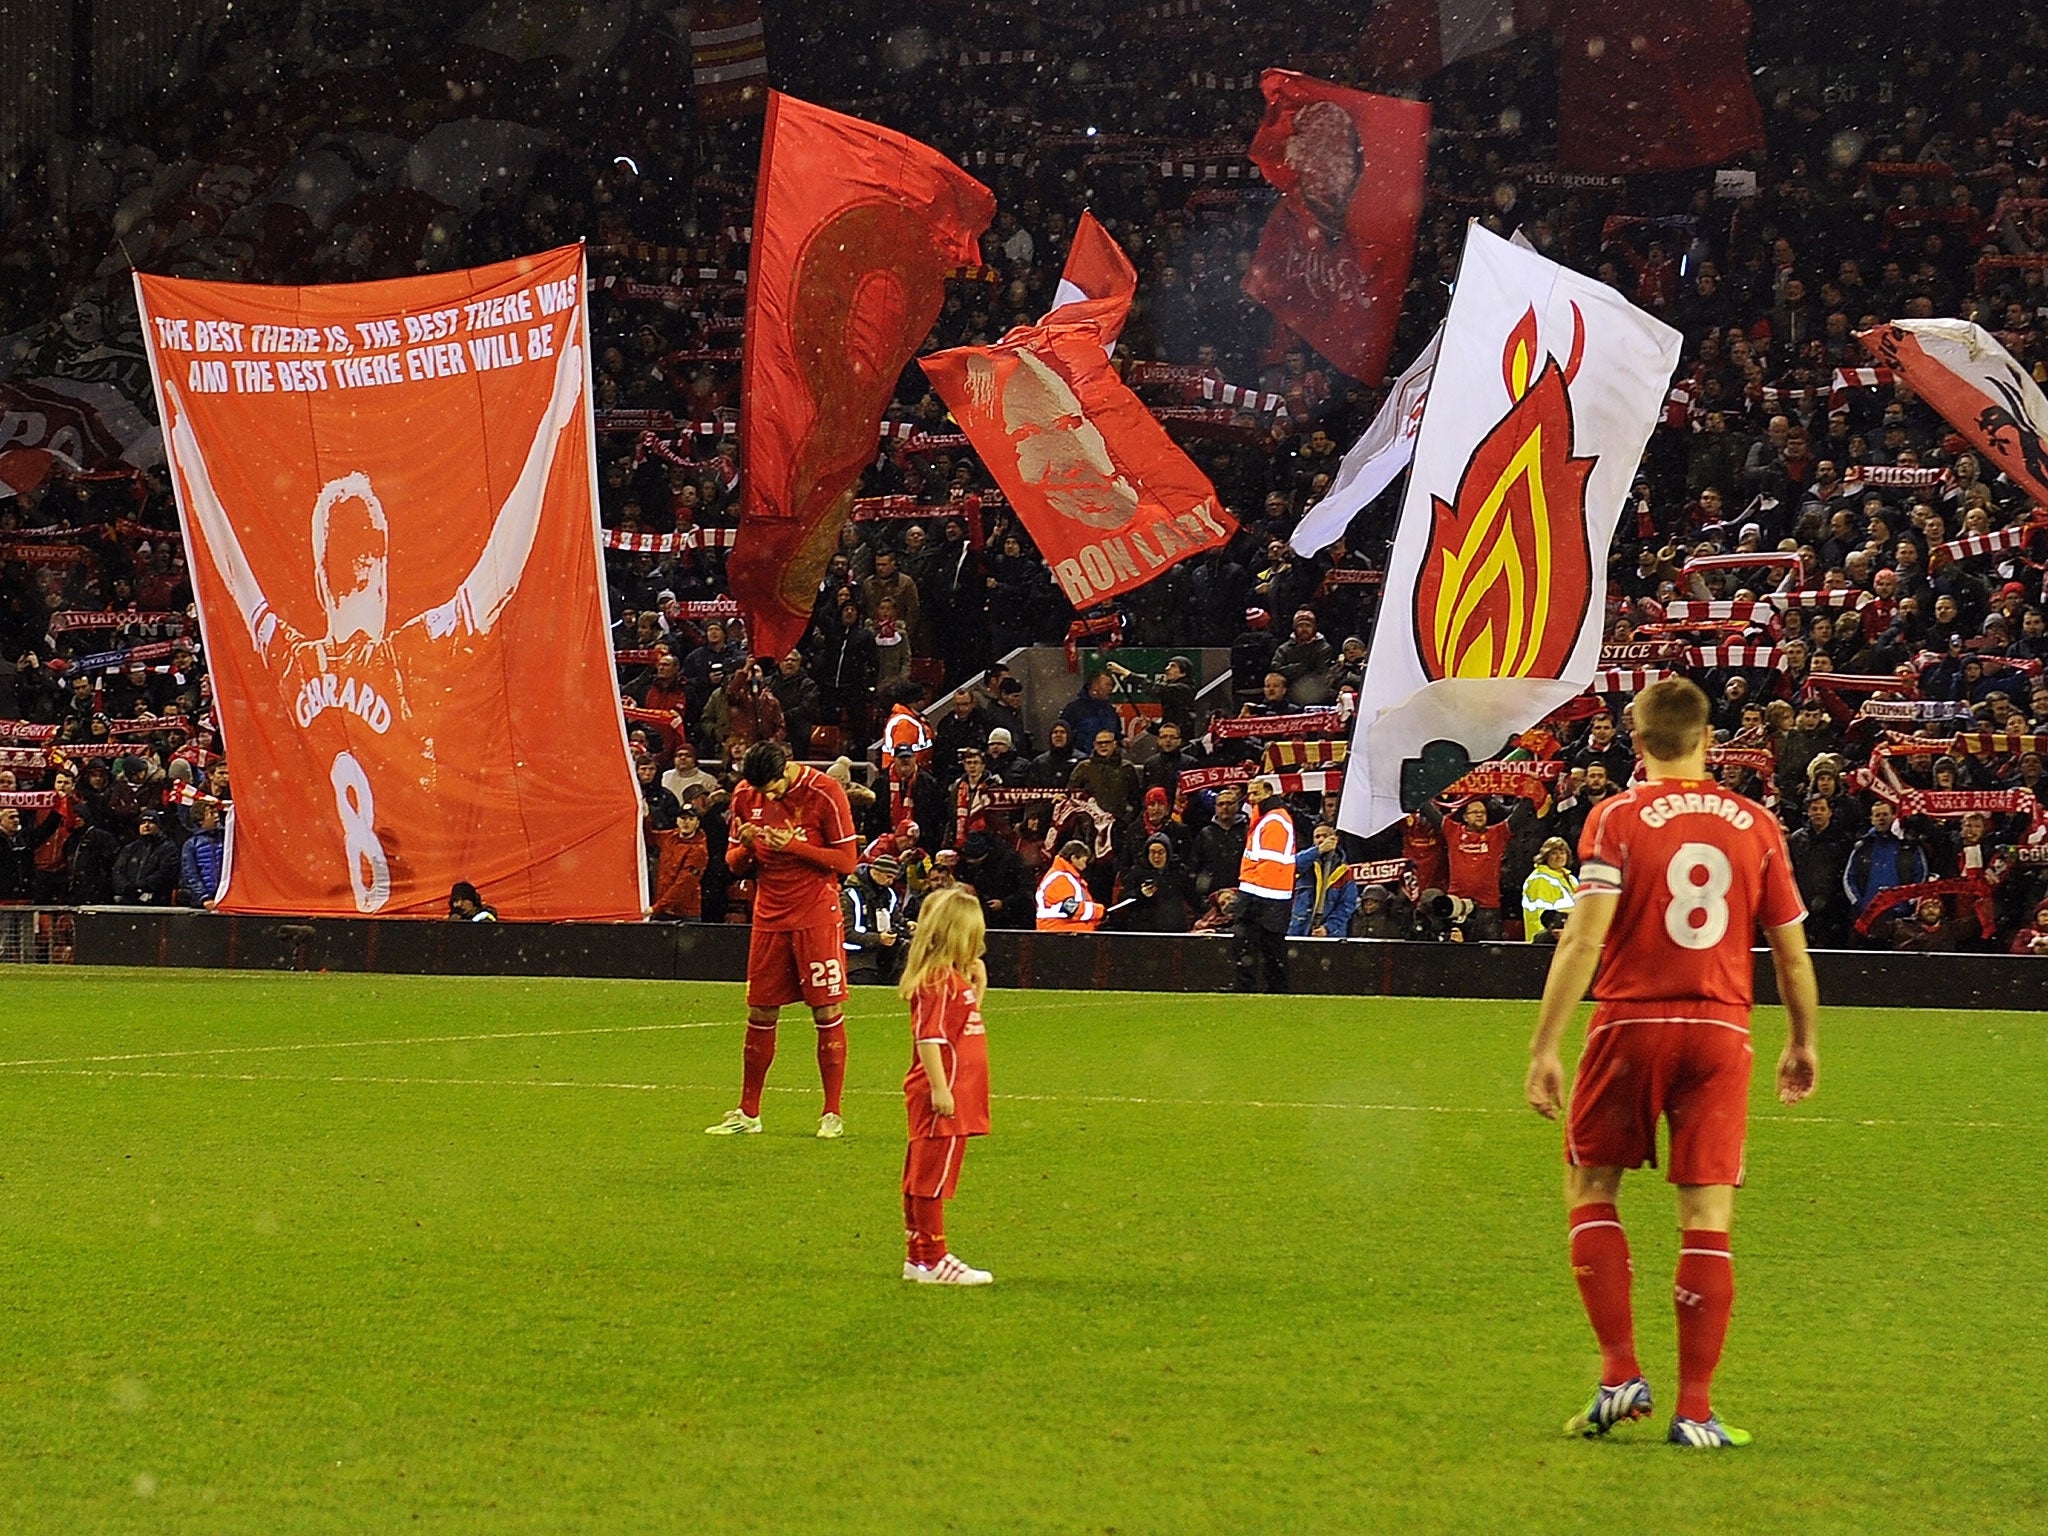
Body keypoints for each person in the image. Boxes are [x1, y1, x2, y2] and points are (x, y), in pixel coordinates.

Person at [1526, 677, 1819, 1449]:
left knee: (1591, 1184)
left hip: (1632, 1020)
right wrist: (1802, 1040)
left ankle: (1621, 1371)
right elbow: (1790, 953)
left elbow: (1583, 938)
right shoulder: (1755, 824)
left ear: (1637, 738)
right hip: (1721, 1029)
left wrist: (1545, 1045)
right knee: (1707, 1214)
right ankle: (1695, 1411)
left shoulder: (1616, 817)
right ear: (1709, 739)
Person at [706, 740, 860, 1139]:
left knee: (825, 1011)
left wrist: (792, 845)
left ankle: (832, 1112)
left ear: (787, 768)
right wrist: (747, 845)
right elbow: (733, 862)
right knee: (760, 1011)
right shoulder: (745, 795)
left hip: (814, 913)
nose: (768, 796)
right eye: (761, 791)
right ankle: (748, 1112)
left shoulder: (825, 791)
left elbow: (847, 862)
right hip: (769, 915)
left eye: (773, 788)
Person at [898, 885, 994, 1285]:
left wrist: (977, 988)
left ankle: (918, 1257)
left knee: (923, 1173)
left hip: (957, 1092)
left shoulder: (949, 981)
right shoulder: (937, 981)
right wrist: (941, 1089)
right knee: (930, 1178)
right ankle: (934, 1257)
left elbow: (960, 1026)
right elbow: (930, 1038)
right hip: (946, 1095)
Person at [1234, 776, 1295, 991]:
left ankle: (1252, 990)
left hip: (1264, 895)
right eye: (1249, 793)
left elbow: (1270, 863)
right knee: (1270, 950)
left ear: (1269, 793)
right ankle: (1273, 991)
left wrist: (1250, 899)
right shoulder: (1269, 818)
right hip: (1270, 896)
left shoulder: (1273, 821)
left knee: (1258, 948)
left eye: (1256, 793)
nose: (1251, 798)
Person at [842, 854, 910, 985]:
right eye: (888, 877)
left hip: (884, 954)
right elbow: (846, 933)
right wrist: (877, 939)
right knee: (866, 977)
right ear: (876, 872)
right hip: (856, 958)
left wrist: (907, 925)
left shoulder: (888, 895)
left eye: (893, 878)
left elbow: (896, 918)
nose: (890, 882)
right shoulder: (851, 896)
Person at [1289, 822, 1357, 937]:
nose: (1321, 840)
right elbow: (1292, 865)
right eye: (1317, 837)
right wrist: (1317, 851)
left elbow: (1346, 905)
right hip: (1300, 930)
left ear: (1335, 839)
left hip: (1330, 934)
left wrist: (1327, 928)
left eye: (1325, 836)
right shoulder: (1307, 862)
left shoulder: (1345, 872)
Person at [112, 809, 180, 905]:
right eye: (143, 822)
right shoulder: (130, 848)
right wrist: (126, 888)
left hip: (157, 900)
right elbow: (118, 871)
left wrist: (141, 886)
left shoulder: (168, 848)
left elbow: (166, 873)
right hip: (128, 900)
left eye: (151, 822)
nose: (146, 825)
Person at [1035, 840, 1103, 930]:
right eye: (1083, 861)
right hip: (1060, 934)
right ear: (1074, 858)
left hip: (1060, 932)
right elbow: (1070, 908)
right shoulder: (1060, 878)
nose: (1085, 866)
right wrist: (1099, 911)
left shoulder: (1065, 877)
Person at [1521, 837, 1578, 941]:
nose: (1559, 856)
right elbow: (1538, 916)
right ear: (1545, 856)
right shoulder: (1540, 879)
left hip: (1568, 939)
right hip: (1548, 942)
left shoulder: (1570, 878)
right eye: (1554, 853)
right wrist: (1542, 940)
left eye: (1562, 852)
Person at [181, 802, 226, 908]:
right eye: (211, 814)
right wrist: (204, 897)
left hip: (225, 898)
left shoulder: (227, 838)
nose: (216, 817)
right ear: (200, 820)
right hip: (204, 903)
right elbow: (190, 874)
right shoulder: (191, 844)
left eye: (216, 813)